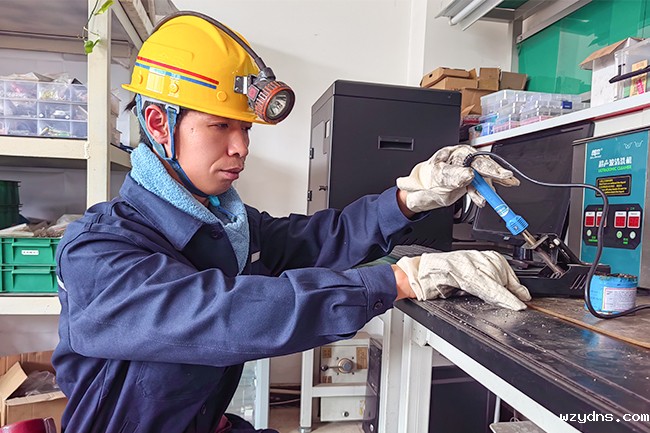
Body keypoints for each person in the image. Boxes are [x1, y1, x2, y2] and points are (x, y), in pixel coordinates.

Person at [52, 11, 531, 433]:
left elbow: (315, 239)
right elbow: (225, 314)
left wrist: (411, 197)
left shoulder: (226, 226)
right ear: (159, 123)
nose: (241, 147)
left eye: (245, 128)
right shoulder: (98, 252)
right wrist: (398, 280)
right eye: (221, 125)